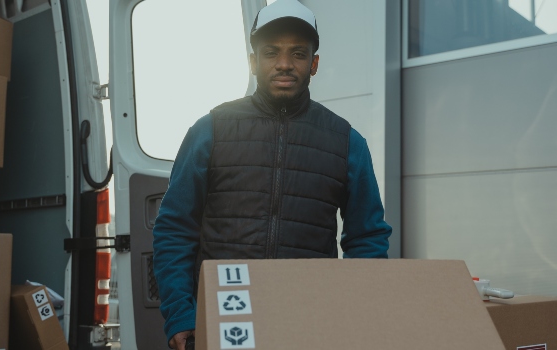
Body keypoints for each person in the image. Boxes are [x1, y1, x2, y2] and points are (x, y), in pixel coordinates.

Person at [151, 0, 392, 348]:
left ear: (314, 64)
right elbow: (174, 229)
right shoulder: (211, 130)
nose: (283, 64)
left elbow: (367, 238)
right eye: (270, 52)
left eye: (297, 53)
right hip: (223, 319)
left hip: (309, 323)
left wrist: (353, 312)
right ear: (252, 61)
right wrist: (180, 314)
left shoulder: (347, 142)